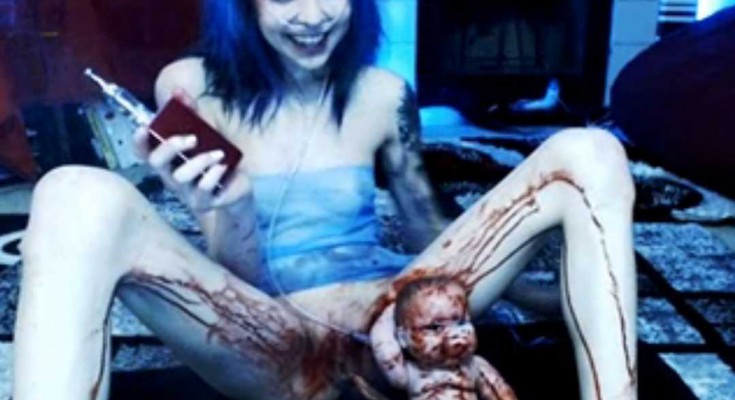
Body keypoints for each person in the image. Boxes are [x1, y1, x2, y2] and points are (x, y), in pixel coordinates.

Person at [13, 0, 638, 399]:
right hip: (272, 338)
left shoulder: (384, 92)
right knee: (72, 193)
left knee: (590, 149)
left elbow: (426, 228)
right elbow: (239, 277)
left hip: (399, 316)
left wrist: (542, 297)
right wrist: (234, 205)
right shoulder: (191, 86)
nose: (313, 16)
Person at [371, 276, 517, 400]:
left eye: (461, 323)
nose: (455, 334)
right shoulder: (411, 373)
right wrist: (390, 312)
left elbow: (499, 392)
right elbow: (385, 349)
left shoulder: (474, 365)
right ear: (403, 338)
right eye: (435, 327)